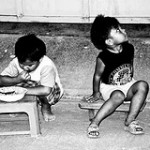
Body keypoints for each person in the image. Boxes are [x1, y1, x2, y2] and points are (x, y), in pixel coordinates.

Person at [86, 15, 149, 138]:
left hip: (128, 84)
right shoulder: (103, 58)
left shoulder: (129, 48)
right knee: (118, 95)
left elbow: (129, 66)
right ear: (109, 41)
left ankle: (130, 121)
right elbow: (97, 76)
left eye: (121, 28)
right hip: (110, 89)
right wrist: (96, 93)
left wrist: (130, 83)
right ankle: (94, 123)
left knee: (143, 85)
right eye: (118, 30)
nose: (123, 30)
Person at [0, 34, 63, 121]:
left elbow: (46, 90)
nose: (25, 68)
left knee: (45, 93)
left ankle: (45, 107)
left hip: (49, 90)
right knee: (5, 86)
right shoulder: (15, 62)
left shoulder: (47, 65)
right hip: (28, 87)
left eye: (30, 65)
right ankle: (19, 105)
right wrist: (16, 79)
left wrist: (20, 90)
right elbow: (1, 80)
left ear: (40, 59)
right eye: (22, 64)